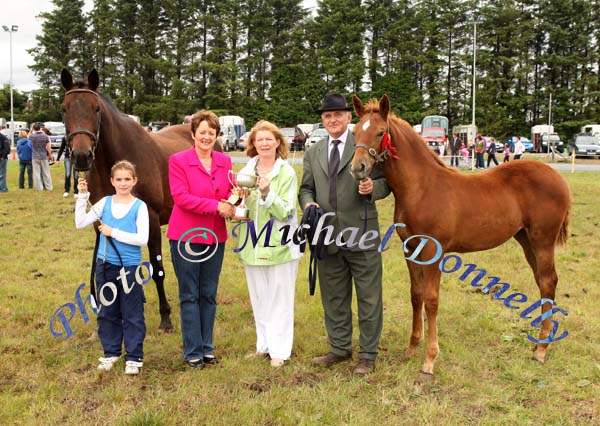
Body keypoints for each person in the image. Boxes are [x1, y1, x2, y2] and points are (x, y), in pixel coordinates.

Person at [298, 93, 391, 375]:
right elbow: (306, 188)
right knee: (334, 295)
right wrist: (308, 204)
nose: (333, 119)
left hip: (361, 232)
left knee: (369, 296)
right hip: (326, 236)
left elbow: (386, 182)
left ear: (349, 118)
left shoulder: (365, 142)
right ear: (323, 121)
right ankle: (339, 349)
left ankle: (367, 354)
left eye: (338, 115)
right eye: (328, 116)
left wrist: (372, 190)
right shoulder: (313, 152)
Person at [167, 109, 234, 369]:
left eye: (211, 132)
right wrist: (216, 206)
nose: (207, 137)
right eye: (202, 132)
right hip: (186, 236)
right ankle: (192, 350)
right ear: (193, 134)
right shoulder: (178, 161)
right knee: (189, 294)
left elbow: (228, 192)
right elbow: (180, 197)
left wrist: (235, 200)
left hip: (215, 236)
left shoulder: (225, 161)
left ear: (217, 135)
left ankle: (207, 348)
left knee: (208, 294)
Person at [236, 120, 301, 368]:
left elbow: (286, 212)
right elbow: (243, 204)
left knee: (280, 298)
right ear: (252, 143)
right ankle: (263, 344)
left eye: (268, 139)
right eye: (259, 139)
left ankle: (280, 350)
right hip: (252, 242)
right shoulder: (247, 170)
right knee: (259, 296)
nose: (263, 143)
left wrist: (266, 193)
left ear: (277, 143)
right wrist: (238, 201)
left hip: (280, 244)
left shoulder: (286, 172)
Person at [75, 160, 149, 375]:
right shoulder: (104, 203)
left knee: (132, 312)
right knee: (107, 311)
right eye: (119, 179)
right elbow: (80, 222)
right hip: (105, 266)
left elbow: (142, 238)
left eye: (127, 179)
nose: (123, 183)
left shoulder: (139, 207)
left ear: (134, 181)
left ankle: (134, 356)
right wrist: (82, 198)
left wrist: (113, 232)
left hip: (130, 268)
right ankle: (111, 352)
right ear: (112, 181)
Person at [29, 123, 53, 191]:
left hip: (35, 156)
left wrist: (31, 130)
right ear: (40, 128)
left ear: (34, 129)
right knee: (46, 172)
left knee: (37, 173)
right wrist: (50, 155)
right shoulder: (45, 136)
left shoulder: (32, 136)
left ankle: (39, 188)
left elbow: (28, 137)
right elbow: (48, 147)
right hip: (43, 156)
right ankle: (49, 187)